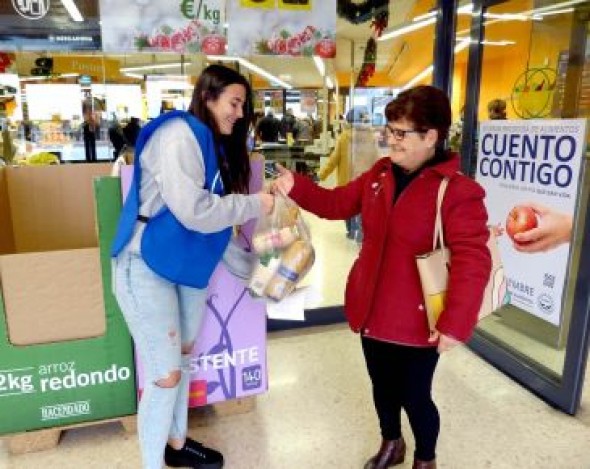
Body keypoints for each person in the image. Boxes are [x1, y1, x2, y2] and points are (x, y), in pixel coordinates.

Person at [272, 85, 491, 469]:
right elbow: (337, 203)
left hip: (420, 318)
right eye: (389, 130)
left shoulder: (457, 192)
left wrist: (456, 322)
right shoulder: (380, 174)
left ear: (431, 137)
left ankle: (426, 458)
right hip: (372, 307)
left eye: (401, 133)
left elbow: (474, 260)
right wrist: (298, 187)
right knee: (382, 387)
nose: (391, 140)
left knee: (415, 395)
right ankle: (392, 442)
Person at [110, 64, 275, 469]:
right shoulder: (178, 134)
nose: (239, 114)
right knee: (165, 374)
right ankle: (153, 463)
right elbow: (195, 212)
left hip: (185, 266)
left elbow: (215, 230)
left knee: (181, 361)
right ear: (208, 96)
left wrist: (262, 275)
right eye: (234, 103)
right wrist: (258, 203)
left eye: (243, 106)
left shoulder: (214, 147)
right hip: (143, 264)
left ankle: (178, 445)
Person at [317, 110, 379, 239]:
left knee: (348, 206)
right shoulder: (371, 136)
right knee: (364, 206)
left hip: (348, 179)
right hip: (366, 179)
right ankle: (362, 233)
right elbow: (376, 157)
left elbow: (334, 159)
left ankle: (352, 232)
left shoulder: (344, 137)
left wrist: (322, 174)